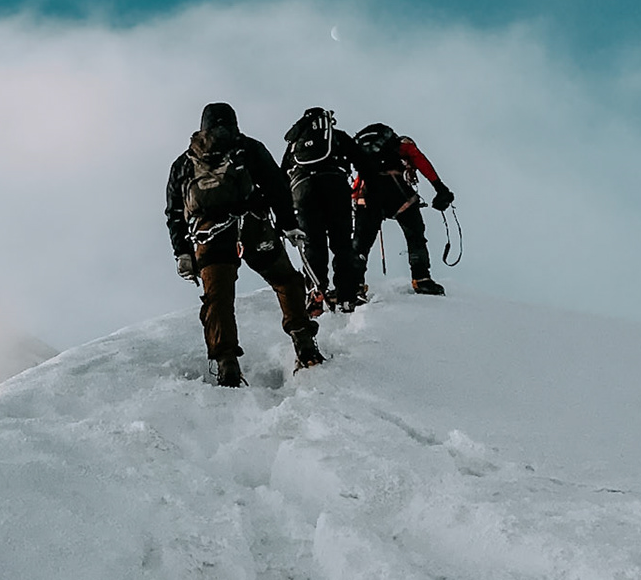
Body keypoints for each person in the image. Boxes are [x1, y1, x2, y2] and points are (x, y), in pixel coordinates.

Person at [166, 102, 323, 386]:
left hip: (209, 236)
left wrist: (182, 252)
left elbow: (174, 212)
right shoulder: (248, 148)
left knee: (218, 298)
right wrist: (288, 223)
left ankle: (227, 363)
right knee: (285, 279)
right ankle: (303, 340)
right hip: (252, 226)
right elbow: (277, 186)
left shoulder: (186, 161)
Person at [279, 107, 368, 315]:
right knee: (342, 243)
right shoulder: (336, 137)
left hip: (302, 190)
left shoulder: (294, 145)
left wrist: (285, 211)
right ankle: (347, 296)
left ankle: (315, 291)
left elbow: (282, 176)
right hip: (335, 185)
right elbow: (363, 163)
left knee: (313, 243)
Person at [351, 121, 455, 296]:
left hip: (367, 194)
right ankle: (421, 279)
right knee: (415, 233)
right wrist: (440, 188)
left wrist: (356, 200)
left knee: (361, 241)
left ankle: (354, 284)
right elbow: (419, 159)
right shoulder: (401, 145)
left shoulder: (368, 155)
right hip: (395, 189)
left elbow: (357, 184)